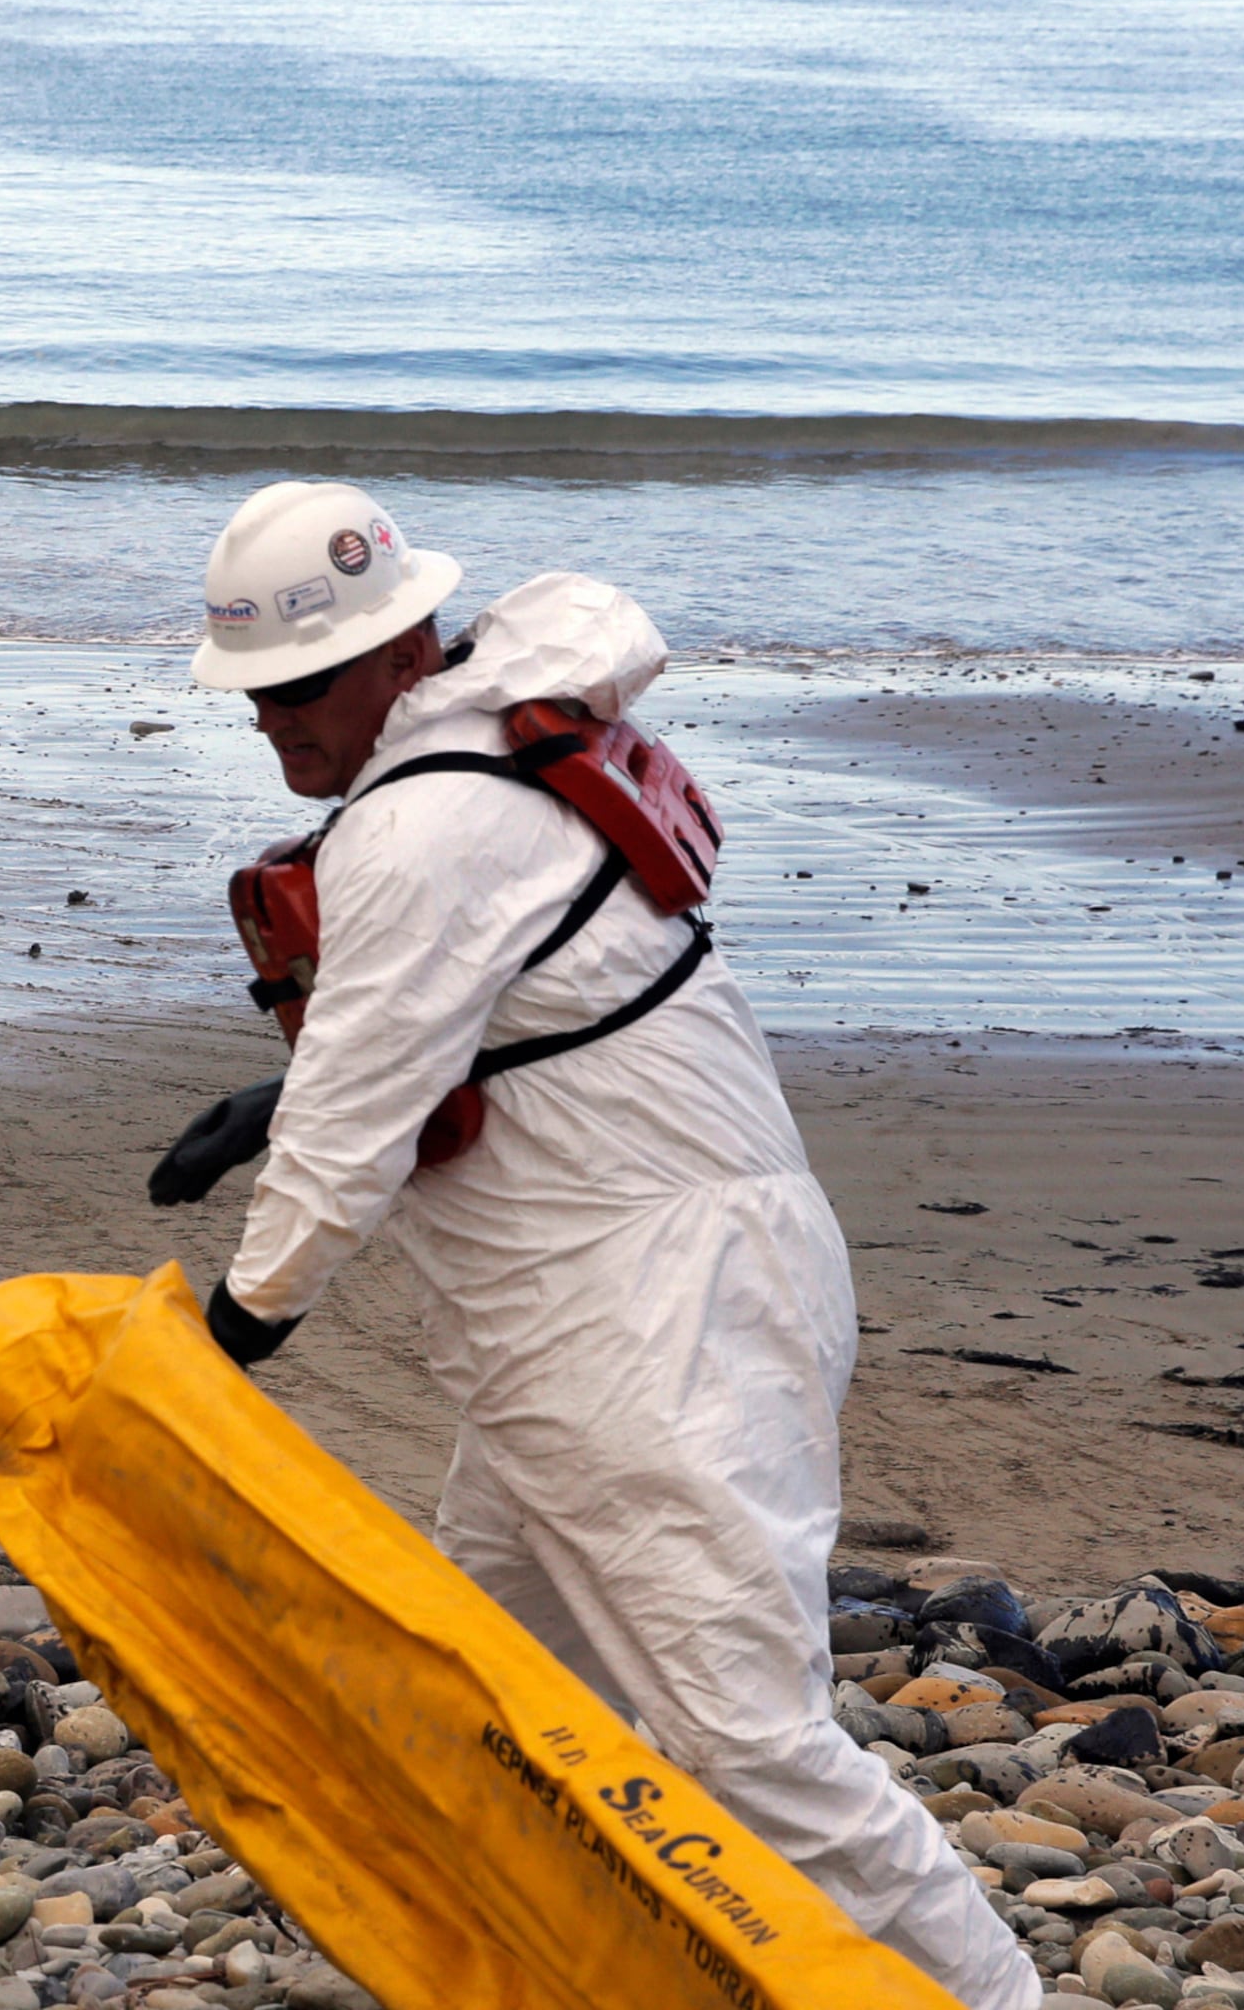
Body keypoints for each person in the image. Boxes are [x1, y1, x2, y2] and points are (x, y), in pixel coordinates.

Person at [149, 483, 1034, 2010]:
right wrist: (282, 1096)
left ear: (400, 647)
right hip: (636, 1295)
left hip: (646, 1326)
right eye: (255, 694)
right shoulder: (495, 750)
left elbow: (359, 1126)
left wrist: (229, 1336)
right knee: (490, 1681)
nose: (273, 723)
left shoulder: (421, 824)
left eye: (298, 686)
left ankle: (989, 2002)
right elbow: (487, 1023)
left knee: (748, 1742)